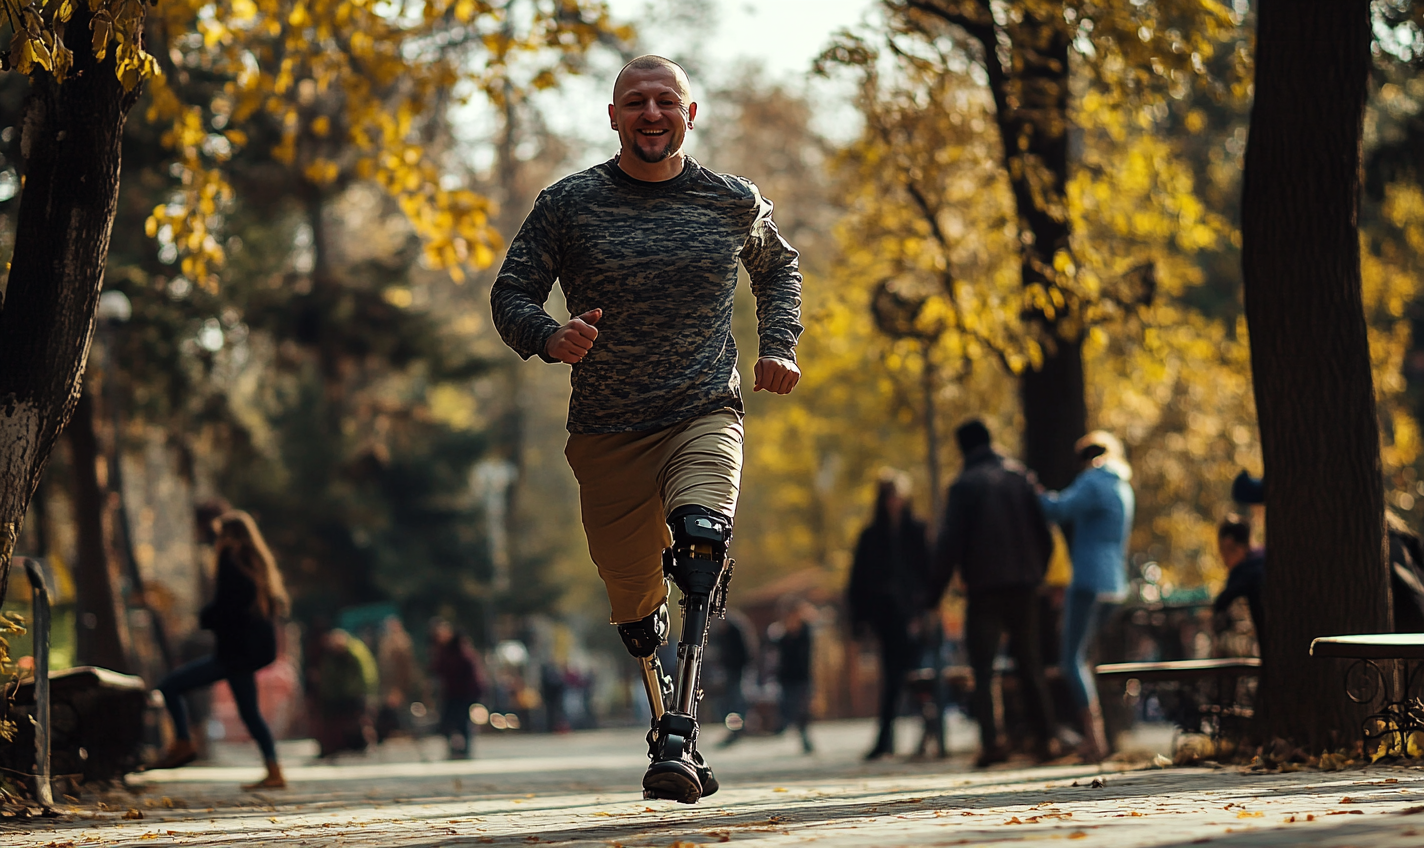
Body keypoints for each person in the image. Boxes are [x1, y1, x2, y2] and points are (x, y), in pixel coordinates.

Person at [489, 55, 802, 803]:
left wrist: (780, 343)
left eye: (667, 100)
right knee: (633, 604)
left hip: (703, 409)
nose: (652, 113)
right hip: (606, 430)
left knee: (702, 543)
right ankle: (659, 689)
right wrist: (547, 336)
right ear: (613, 116)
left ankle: (679, 735)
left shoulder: (732, 201)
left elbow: (778, 267)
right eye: (636, 101)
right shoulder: (568, 204)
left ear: (691, 115)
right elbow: (511, 291)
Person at [934, 419, 1058, 767]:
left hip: (984, 589)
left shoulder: (964, 485)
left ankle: (993, 743)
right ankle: (1045, 738)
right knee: (1030, 664)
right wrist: (1036, 572)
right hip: (1024, 586)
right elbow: (1045, 534)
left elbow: (949, 544)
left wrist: (933, 594)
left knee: (984, 669)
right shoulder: (1021, 477)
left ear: (962, 447)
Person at [152, 510, 288, 790]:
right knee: (250, 713)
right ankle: (274, 770)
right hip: (245, 655)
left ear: (228, 535)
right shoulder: (257, 564)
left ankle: (183, 741)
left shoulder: (230, 559)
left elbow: (228, 608)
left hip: (233, 655)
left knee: (171, 685)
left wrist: (205, 617)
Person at [1040, 430, 1135, 763]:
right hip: (1115, 584)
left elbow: (1058, 509)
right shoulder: (1123, 486)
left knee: (1071, 659)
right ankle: (1098, 737)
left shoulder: (1093, 480)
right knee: (1084, 659)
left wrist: (1035, 493)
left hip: (1088, 581)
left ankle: (1094, 740)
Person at [847, 470, 931, 760]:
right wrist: (860, 621)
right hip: (886, 617)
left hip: (914, 615)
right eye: (888, 496)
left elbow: (928, 573)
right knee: (894, 677)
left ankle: (923, 733)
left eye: (897, 496)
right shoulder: (871, 537)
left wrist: (925, 609)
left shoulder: (917, 531)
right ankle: (888, 739)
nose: (893, 502)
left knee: (916, 677)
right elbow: (858, 581)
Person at [314, 628, 377, 757]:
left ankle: (363, 743)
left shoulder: (356, 652)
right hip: (338, 694)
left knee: (360, 720)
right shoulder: (332, 655)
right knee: (331, 719)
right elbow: (328, 676)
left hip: (355, 693)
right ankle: (333, 746)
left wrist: (364, 692)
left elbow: (367, 674)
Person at [430, 621, 485, 758]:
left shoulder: (461, 651)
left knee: (462, 721)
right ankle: (453, 747)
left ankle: (464, 748)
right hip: (452, 692)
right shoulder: (443, 651)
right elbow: (437, 669)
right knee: (448, 721)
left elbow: (469, 672)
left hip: (464, 692)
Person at [769, 599, 815, 754]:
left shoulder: (805, 630)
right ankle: (781, 727)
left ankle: (805, 739)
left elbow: (805, 654)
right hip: (787, 676)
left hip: (802, 676)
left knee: (802, 709)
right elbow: (775, 652)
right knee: (788, 706)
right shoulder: (781, 632)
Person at [1212, 515, 1266, 647]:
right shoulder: (1265, 560)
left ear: (1228, 543)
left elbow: (1221, 608)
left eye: (1221, 550)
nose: (1222, 559)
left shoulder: (1243, 577)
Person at [712, 609, 756, 746]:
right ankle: (735, 729)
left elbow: (746, 652)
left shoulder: (734, 629)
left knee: (737, 700)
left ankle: (737, 729)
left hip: (738, 670)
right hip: (730, 671)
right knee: (730, 701)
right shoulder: (722, 632)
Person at [375, 616, 419, 742]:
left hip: (398, 684)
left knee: (401, 709)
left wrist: (401, 685)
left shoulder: (402, 642)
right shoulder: (386, 642)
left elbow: (405, 668)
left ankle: (405, 731)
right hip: (389, 684)